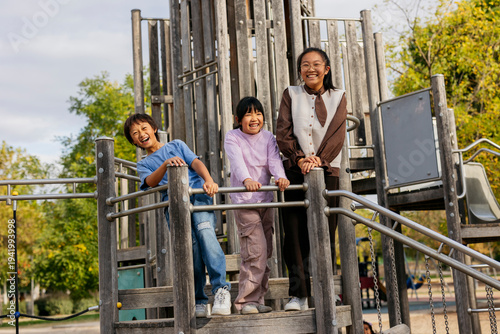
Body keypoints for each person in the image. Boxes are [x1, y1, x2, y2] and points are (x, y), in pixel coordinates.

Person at [124, 113, 231, 317]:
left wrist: (208, 179)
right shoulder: (143, 164)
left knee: (207, 238)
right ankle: (199, 299)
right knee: (191, 250)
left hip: (198, 198)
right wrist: (165, 165)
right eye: (135, 134)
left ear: (153, 128)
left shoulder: (176, 145)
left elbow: (195, 163)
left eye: (144, 128)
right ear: (133, 141)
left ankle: (221, 290)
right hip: (175, 206)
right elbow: (150, 182)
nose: (141, 134)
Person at [276, 47, 347, 311]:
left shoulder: (338, 96)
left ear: (326, 69)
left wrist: (320, 159)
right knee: (293, 233)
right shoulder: (290, 94)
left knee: (325, 233)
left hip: (328, 171)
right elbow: (282, 130)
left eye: (316, 64)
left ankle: (327, 289)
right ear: (300, 71)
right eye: (305, 65)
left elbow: (337, 133)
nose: (310, 69)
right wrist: (298, 158)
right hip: (296, 170)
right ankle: (299, 294)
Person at [224, 97, 290, 315]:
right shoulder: (233, 137)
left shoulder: (268, 137)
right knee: (255, 251)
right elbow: (237, 162)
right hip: (245, 201)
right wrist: (246, 180)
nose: (255, 118)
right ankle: (245, 301)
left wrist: (280, 177)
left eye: (258, 114)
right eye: (249, 114)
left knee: (266, 250)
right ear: (238, 119)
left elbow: (273, 160)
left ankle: (258, 297)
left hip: (266, 199)